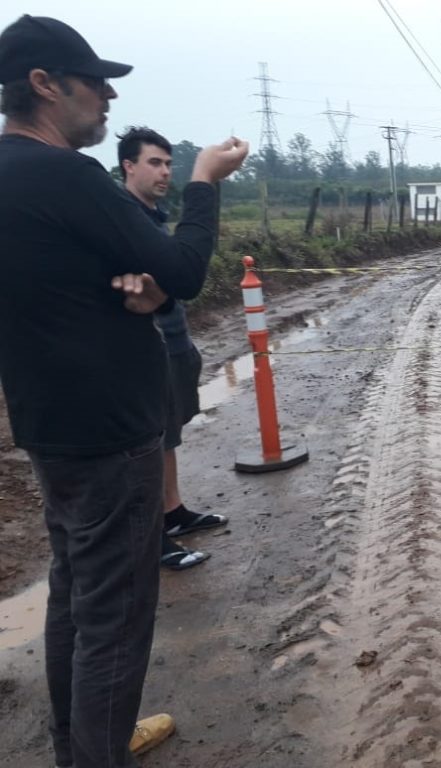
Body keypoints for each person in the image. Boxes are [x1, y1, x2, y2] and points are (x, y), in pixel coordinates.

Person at [0, 15, 248, 768]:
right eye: (95, 81)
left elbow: (50, 284)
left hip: (49, 419)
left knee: (76, 593)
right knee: (116, 613)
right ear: (45, 85)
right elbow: (182, 271)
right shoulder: (65, 173)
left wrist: (118, 294)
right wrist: (204, 184)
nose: (108, 96)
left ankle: (84, 744)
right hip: (109, 427)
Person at [118, 126, 228, 571]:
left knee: (168, 435)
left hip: (174, 340)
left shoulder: (154, 218)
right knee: (146, 442)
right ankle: (153, 539)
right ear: (128, 166)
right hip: (145, 348)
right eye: (154, 163)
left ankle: (173, 512)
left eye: (168, 164)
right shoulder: (120, 218)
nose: (165, 172)